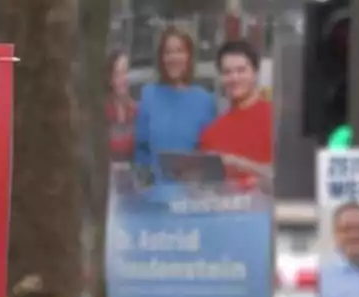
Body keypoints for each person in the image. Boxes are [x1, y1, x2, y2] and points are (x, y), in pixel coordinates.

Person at [133, 26, 217, 181]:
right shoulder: (148, 95)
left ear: (189, 56)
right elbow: (141, 152)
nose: (173, 58)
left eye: (179, 51)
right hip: (153, 196)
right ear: (161, 58)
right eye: (168, 52)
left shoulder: (205, 100)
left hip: (191, 195)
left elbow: (209, 156)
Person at [198, 39, 273, 192]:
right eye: (227, 72)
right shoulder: (210, 133)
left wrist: (239, 163)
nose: (234, 78)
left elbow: (289, 180)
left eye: (241, 70)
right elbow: (205, 188)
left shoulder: (276, 120)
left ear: (255, 73)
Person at [107, 49, 137, 165]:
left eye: (126, 73)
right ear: (110, 79)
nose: (123, 79)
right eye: (118, 74)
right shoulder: (103, 113)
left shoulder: (136, 112)